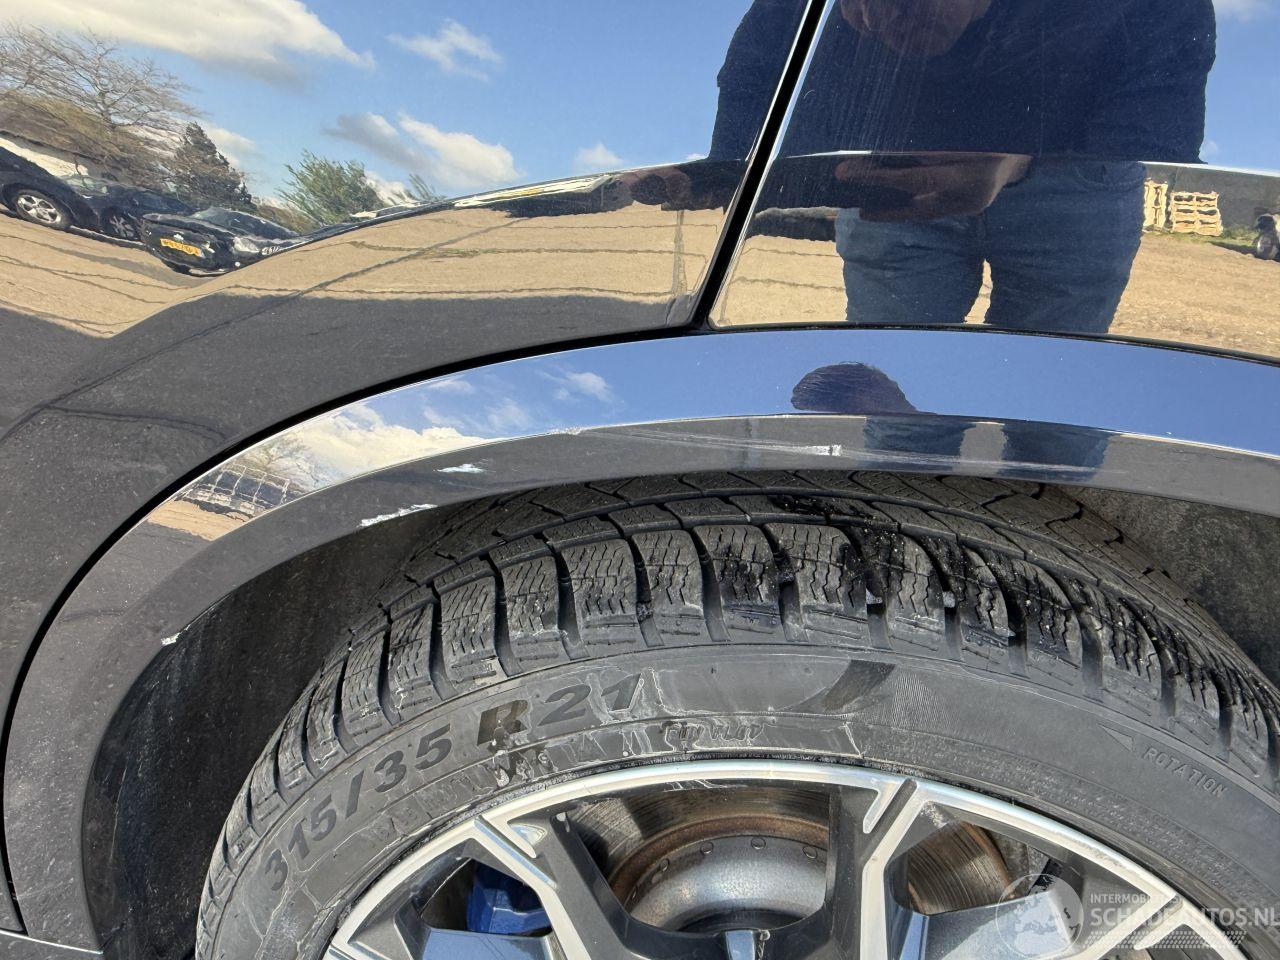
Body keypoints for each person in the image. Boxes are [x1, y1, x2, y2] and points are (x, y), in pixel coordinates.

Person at [714, 0, 1218, 333]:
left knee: (1051, 421)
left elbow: (1161, 113)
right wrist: (723, 170)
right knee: (896, 402)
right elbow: (760, 58)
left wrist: (1014, 159)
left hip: (1077, 183)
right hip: (896, 175)